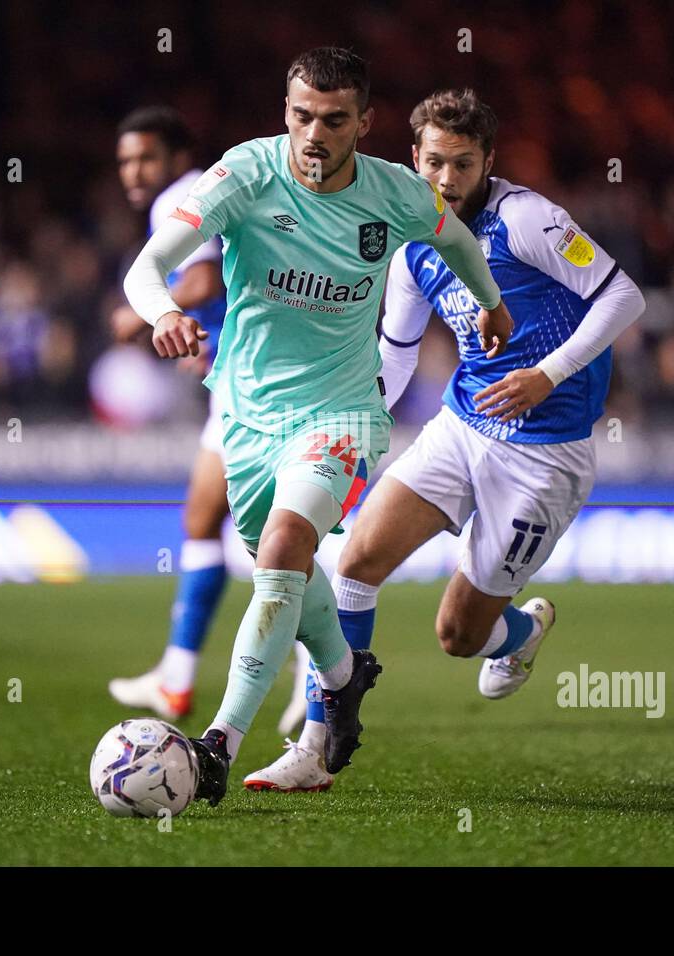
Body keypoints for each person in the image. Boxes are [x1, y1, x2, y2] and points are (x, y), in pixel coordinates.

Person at [122, 52, 512, 807]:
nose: (314, 133)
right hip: (244, 414)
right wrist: (164, 313)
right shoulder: (243, 177)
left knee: (285, 549)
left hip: (341, 412)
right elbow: (148, 266)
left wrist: (489, 302)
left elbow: (458, 242)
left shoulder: (396, 193)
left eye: (335, 120)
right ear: (286, 111)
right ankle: (342, 677)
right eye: (302, 115)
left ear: (364, 125)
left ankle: (217, 748)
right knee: (287, 576)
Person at [244, 88, 645, 792]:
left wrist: (545, 376)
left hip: (543, 451)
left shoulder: (527, 221)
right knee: (356, 560)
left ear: (489, 160)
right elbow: (395, 356)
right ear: (414, 158)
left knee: (458, 635)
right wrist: (348, 427)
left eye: (463, 165)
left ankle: (520, 635)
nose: (447, 182)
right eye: (435, 164)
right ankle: (314, 745)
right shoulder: (410, 244)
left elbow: (622, 297)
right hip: (460, 427)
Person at [106, 107, 233, 721]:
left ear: (178, 157)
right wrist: (205, 342)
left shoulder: (181, 197)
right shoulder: (201, 191)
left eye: (146, 158)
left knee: (251, 536)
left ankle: (323, 674)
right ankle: (177, 679)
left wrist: (143, 312)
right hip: (239, 375)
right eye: (126, 160)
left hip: (253, 387)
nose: (134, 171)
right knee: (212, 524)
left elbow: (205, 280)